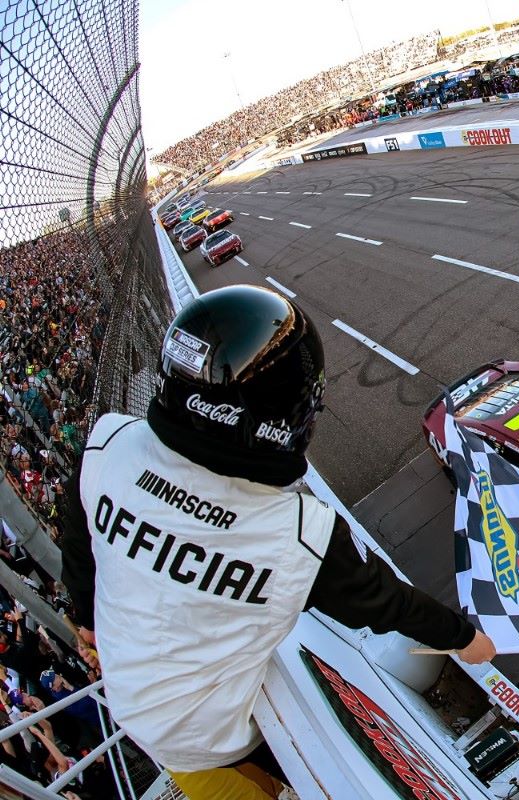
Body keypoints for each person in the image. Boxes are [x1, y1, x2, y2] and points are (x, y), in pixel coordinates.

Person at [60, 285, 496, 800]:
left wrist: (86, 617)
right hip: (214, 738)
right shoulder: (295, 535)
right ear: (278, 420)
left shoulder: (108, 444)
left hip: (132, 701)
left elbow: (77, 536)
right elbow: (385, 603)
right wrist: (464, 636)